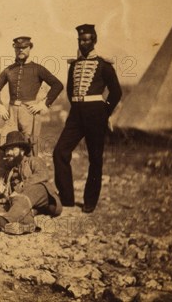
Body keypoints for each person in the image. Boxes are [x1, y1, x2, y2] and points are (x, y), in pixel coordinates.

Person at [53, 24, 122, 213]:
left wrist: (104, 112)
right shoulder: (74, 65)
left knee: (95, 158)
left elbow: (116, 92)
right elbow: (69, 90)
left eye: (87, 40)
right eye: (80, 40)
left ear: (94, 41)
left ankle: (90, 201)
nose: (83, 43)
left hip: (96, 113)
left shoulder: (103, 65)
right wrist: (77, 106)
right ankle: (67, 198)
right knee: (60, 152)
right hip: (76, 114)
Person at [0, 36, 63, 156]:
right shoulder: (9, 70)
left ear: (30, 48)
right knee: (5, 144)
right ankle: (7, 174)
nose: (21, 50)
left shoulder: (38, 69)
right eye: (18, 48)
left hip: (29, 113)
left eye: (24, 47)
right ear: (14, 49)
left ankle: (29, 174)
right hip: (11, 113)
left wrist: (43, 104)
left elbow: (57, 85)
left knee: (30, 147)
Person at [0, 131, 62, 234]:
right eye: (7, 150)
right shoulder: (9, 172)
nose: (8, 153)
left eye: (12, 149)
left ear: (22, 150)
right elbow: (12, 197)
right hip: (30, 206)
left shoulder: (34, 161)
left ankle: (4, 220)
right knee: (8, 204)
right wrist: (3, 192)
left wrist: (20, 187)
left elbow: (42, 175)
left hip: (47, 200)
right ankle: (28, 226)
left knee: (34, 189)